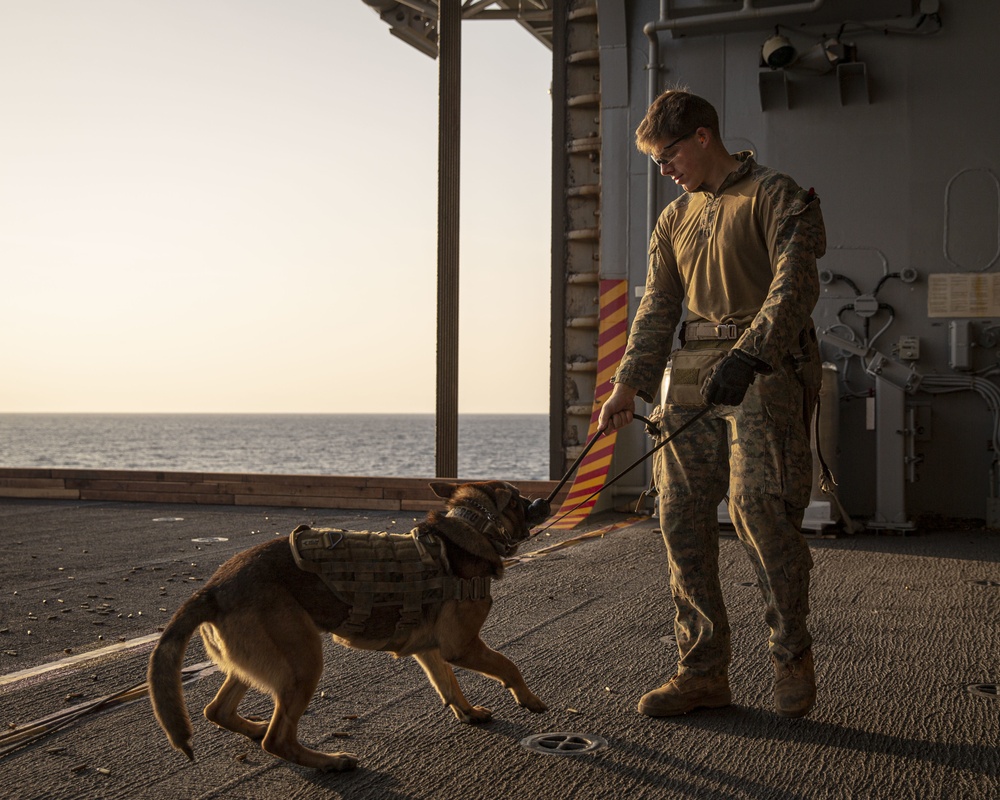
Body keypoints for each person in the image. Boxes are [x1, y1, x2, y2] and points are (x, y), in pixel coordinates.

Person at [598, 89, 825, 719]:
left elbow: (795, 282)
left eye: (667, 153)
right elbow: (658, 307)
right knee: (680, 522)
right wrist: (629, 384)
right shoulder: (673, 220)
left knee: (760, 514)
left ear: (703, 137)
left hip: (763, 371)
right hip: (690, 376)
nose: (663, 167)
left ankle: (790, 656)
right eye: (654, 159)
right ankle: (702, 673)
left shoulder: (777, 194)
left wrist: (750, 355)